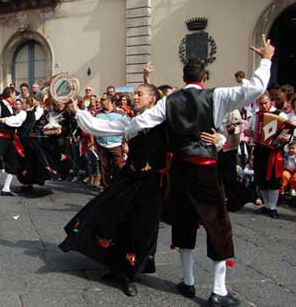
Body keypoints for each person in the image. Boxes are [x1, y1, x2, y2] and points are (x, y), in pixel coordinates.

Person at [123, 35, 275, 306]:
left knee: (184, 222)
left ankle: (189, 282)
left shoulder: (169, 101)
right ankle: (218, 290)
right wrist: (265, 60)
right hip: (205, 169)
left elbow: (141, 122)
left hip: (180, 169)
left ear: (184, 77)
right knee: (217, 225)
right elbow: (255, 88)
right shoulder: (217, 95)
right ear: (204, 77)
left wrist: (126, 132)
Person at [62, 83, 221, 297]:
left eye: (139, 94)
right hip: (127, 179)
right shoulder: (129, 122)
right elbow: (98, 126)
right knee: (108, 215)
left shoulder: (167, 124)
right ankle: (115, 266)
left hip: (152, 183)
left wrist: (220, 140)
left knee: (140, 229)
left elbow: (192, 135)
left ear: (153, 100)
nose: (134, 97)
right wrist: (78, 111)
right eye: (134, 94)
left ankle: (128, 274)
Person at [246, 92, 289, 219]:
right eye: (261, 104)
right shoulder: (256, 116)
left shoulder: (280, 114)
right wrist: (248, 132)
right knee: (261, 178)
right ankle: (266, 205)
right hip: (260, 149)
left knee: (274, 179)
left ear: (270, 101)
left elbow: (287, 131)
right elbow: (251, 132)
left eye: (265, 103)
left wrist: (285, 138)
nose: (263, 106)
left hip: (274, 151)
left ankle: (273, 207)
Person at [94, 96, 126, 189]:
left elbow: (126, 129)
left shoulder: (121, 114)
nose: (100, 102)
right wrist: (93, 143)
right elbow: (93, 129)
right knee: (104, 167)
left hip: (117, 145)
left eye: (103, 100)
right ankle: (106, 187)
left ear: (110, 101)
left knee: (119, 166)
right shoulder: (97, 114)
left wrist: (125, 143)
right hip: (102, 144)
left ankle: (120, 186)